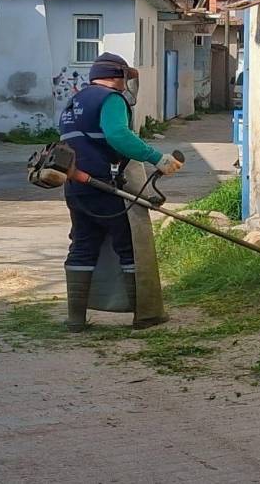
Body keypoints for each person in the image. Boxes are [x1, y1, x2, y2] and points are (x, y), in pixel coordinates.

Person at [59, 53, 183, 333]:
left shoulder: (74, 102)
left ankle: (75, 319)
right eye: (126, 77)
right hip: (103, 183)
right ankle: (145, 314)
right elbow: (118, 136)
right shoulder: (110, 99)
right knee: (129, 245)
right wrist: (156, 157)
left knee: (83, 245)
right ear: (118, 76)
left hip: (76, 185)